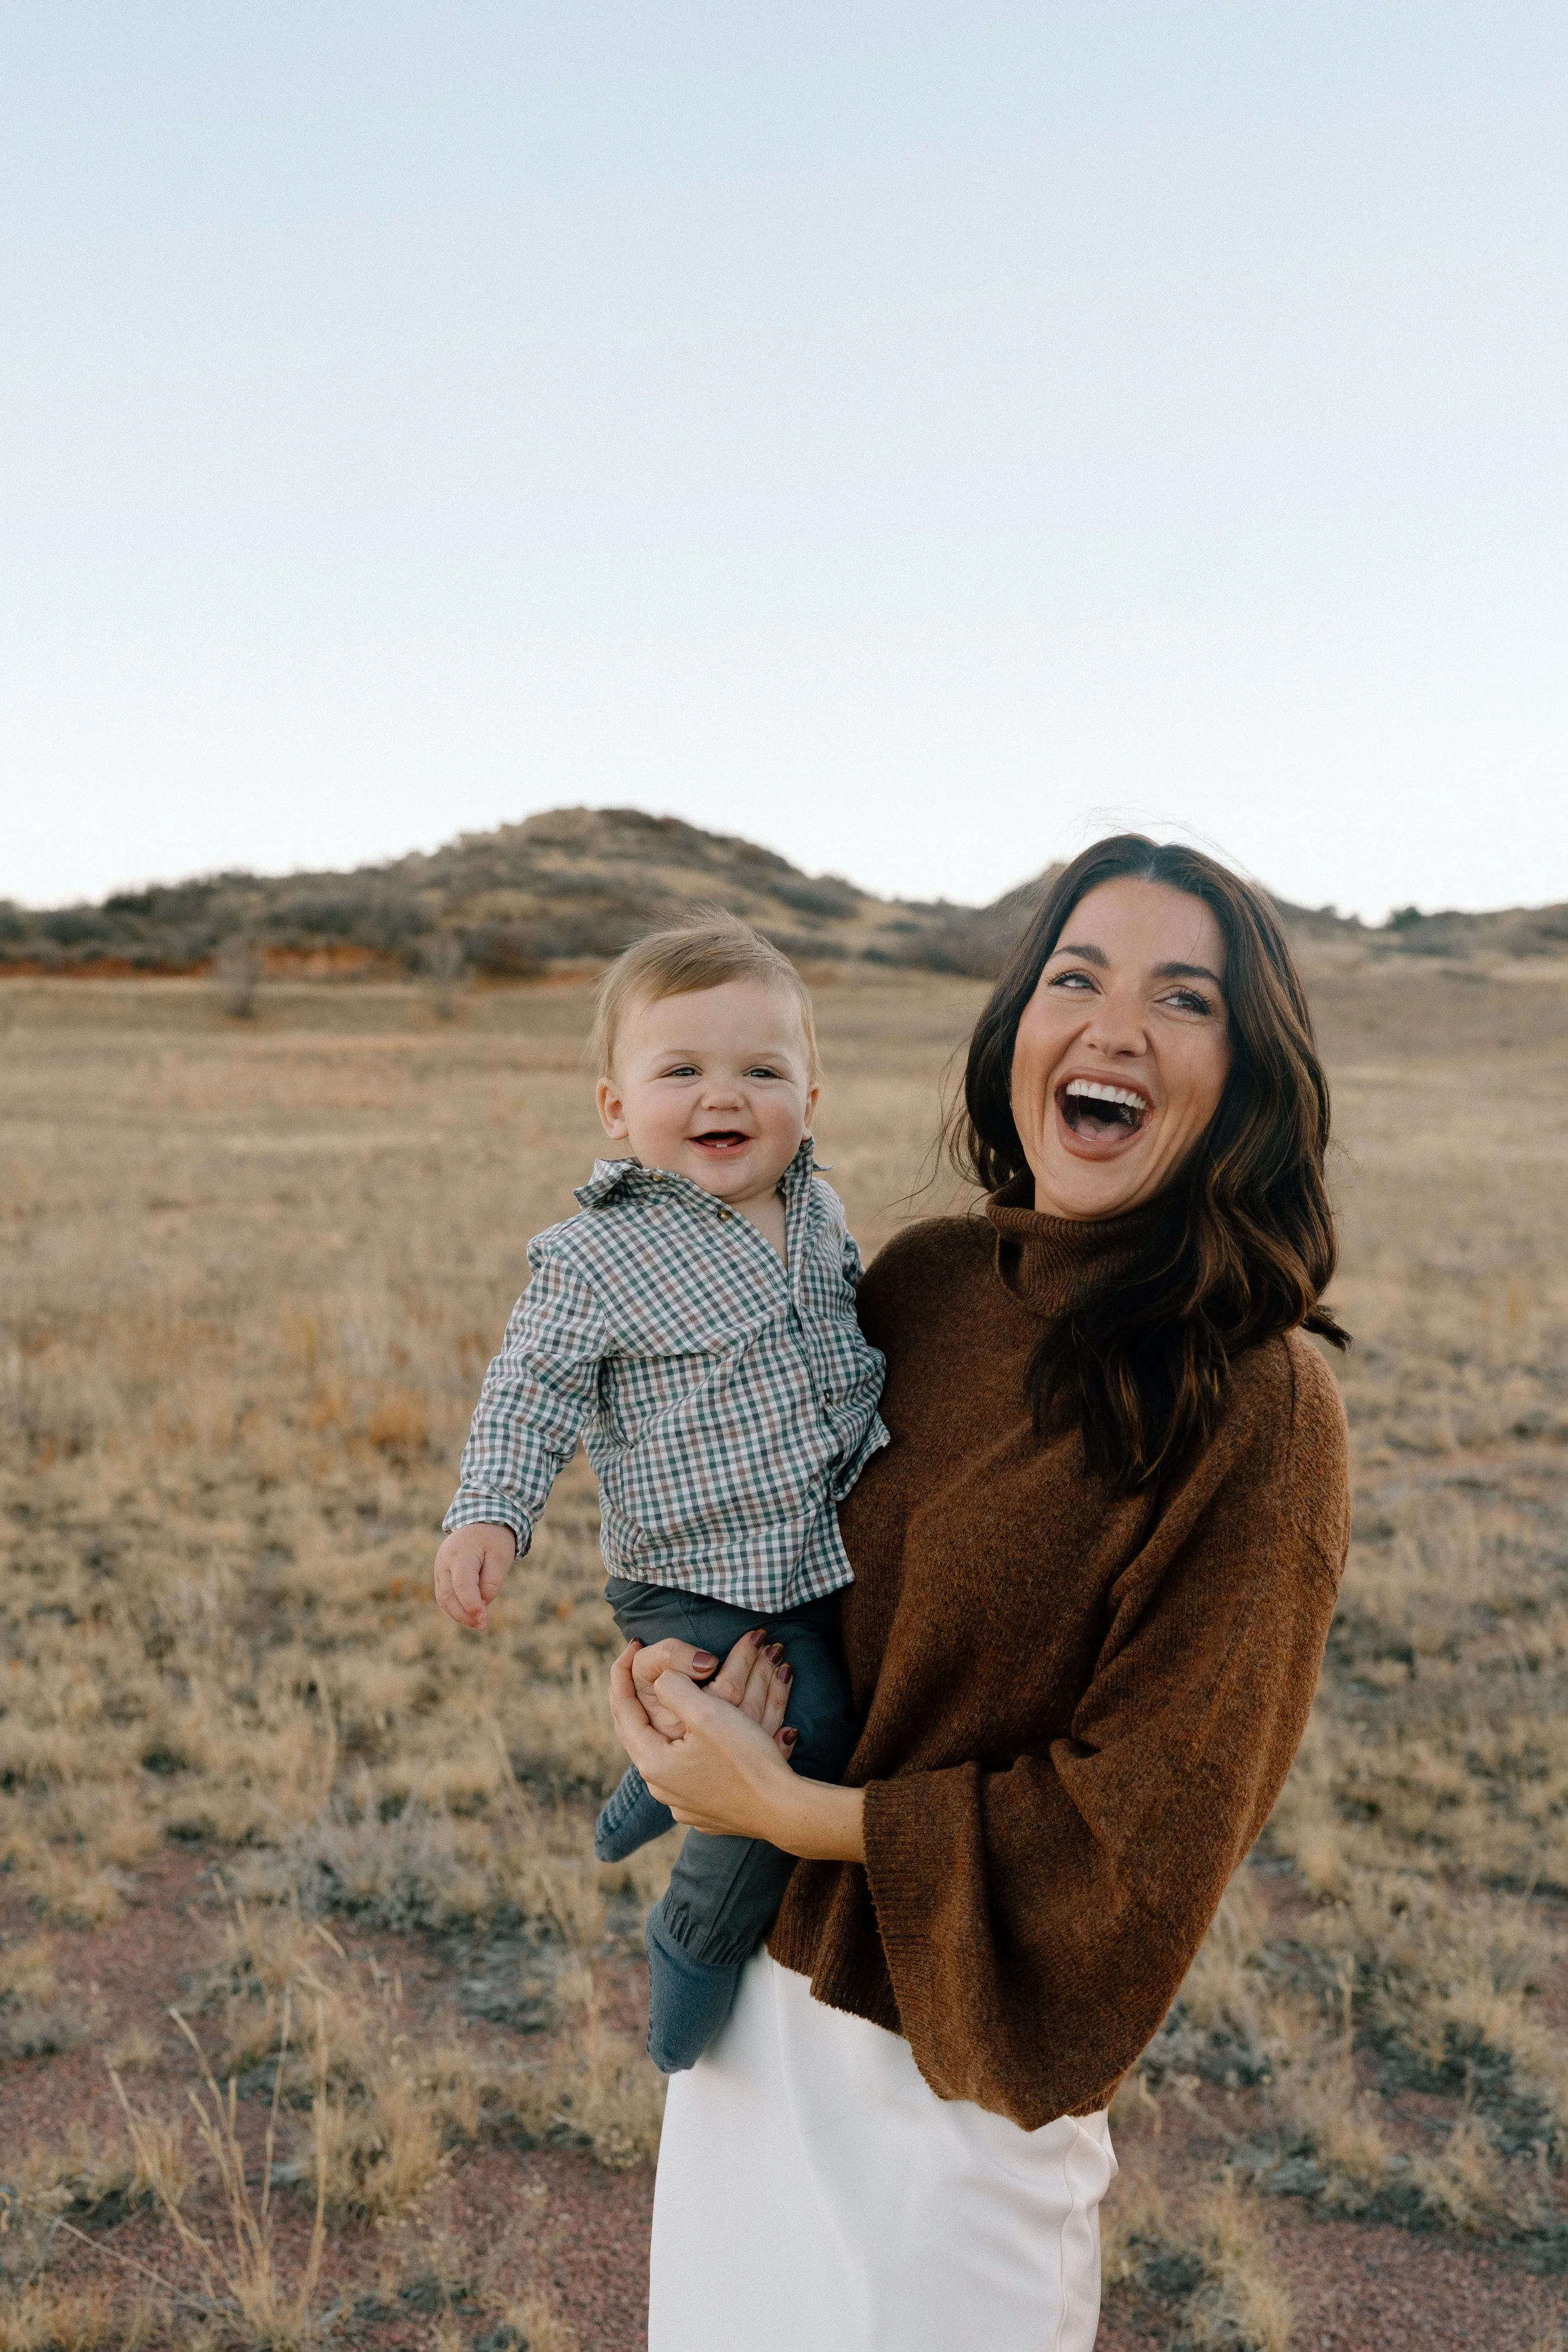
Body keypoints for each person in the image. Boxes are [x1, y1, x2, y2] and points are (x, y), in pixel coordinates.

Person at [608, 836, 1353, 2352]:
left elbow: (1136, 1836)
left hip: (946, 2105)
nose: (1112, 1028)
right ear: (1016, 1027)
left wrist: (788, 1809)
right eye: (1073, 978)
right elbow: (752, 1545)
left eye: (1181, 999)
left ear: (1250, 1074)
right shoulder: (924, 1284)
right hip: (754, 2029)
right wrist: (664, 1696)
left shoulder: (1252, 1406)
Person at [432, 914, 887, 2072]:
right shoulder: (599, 1256)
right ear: (617, 1108)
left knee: (854, 1692)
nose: (721, 1093)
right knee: (804, 1730)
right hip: (689, 1577)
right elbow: (528, 1389)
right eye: (681, 1068)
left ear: (811, 1095)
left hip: (810, 1558)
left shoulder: (820, 1217)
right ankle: (694, 1931)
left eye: (760, 1069)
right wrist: (491, 1512)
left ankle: (657, 1773)